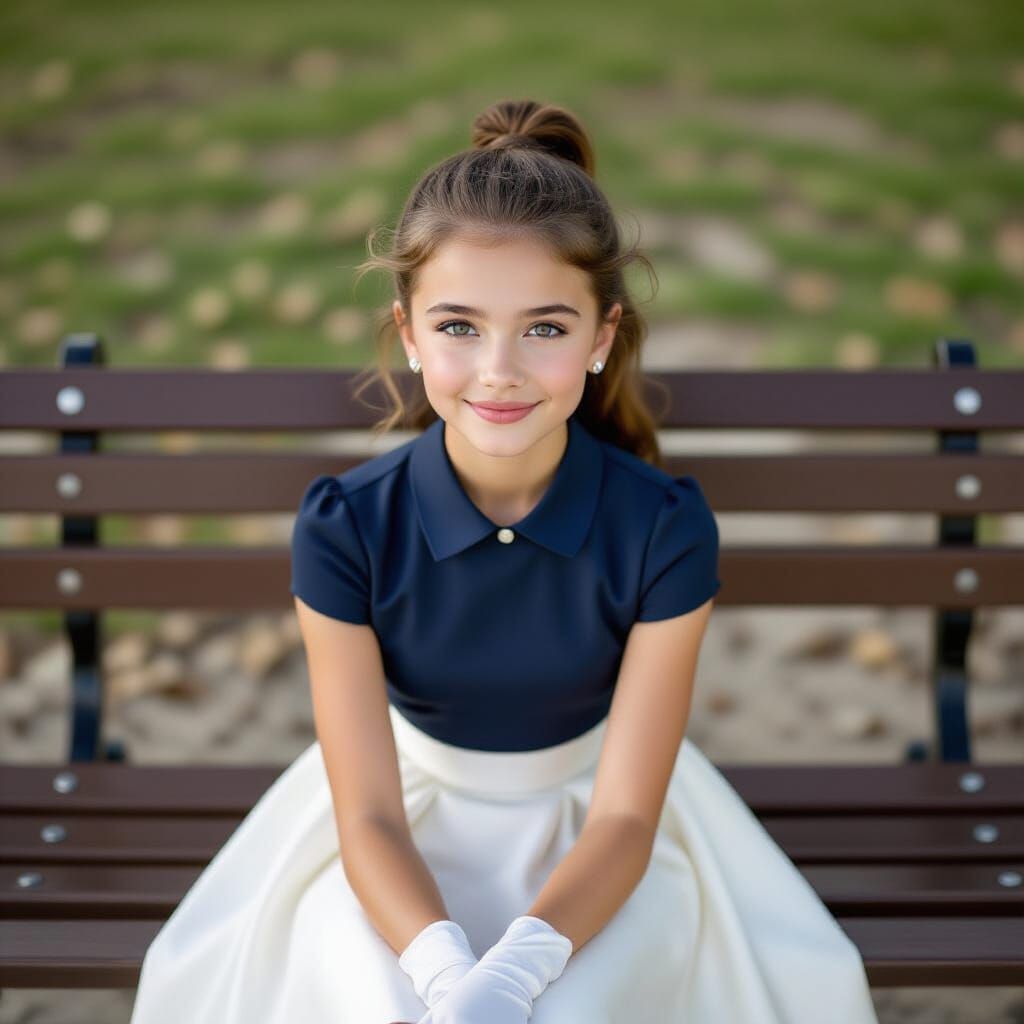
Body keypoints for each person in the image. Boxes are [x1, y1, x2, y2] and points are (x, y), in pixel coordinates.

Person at [128, 98, 879, 1024]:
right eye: (458, 327)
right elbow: (364, 817)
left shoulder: (663, 527)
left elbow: (626, 821)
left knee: (577, 1008)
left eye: (546, 328)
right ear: (408, 332)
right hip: (399, 829)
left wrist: (520, 968)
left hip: (600, 831)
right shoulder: (346, 527)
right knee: (378, 997)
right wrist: (446, 971)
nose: (499, 369)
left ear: (602, 337)